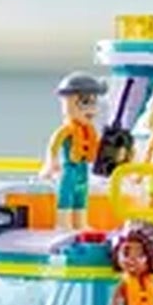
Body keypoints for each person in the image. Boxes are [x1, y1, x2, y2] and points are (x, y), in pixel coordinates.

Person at [44, 72, 106, 227]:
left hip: (83, 167)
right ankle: (63, 223)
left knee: (81, 195)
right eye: (85, 102)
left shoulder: (90, 131)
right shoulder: (67, 130)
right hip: (70, 167)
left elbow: (97, 148)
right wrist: (52, 162)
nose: (91, 109)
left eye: (94, 103)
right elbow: (54, 145)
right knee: (67, 194)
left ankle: (81, 222)